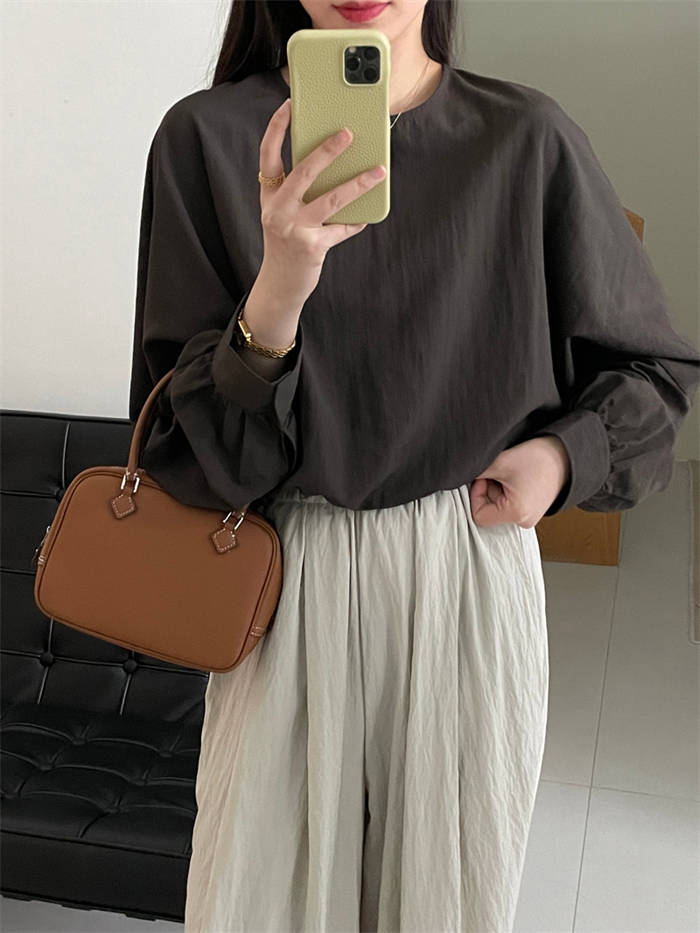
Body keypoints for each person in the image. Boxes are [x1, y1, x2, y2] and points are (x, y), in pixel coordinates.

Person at [128, 1, 700, 930]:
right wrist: (279, 288)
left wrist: (560, 460)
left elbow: (654, 373)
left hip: (466, 573)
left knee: (446, 907)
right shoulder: (207, 139)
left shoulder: (526, 139)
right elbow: (189, 457)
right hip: (283, 589)